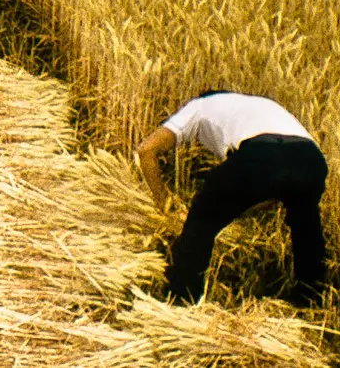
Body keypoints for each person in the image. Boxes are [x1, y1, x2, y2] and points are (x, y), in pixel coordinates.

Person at [136, 90, 329, 305]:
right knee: (306, 226)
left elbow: (146, 150)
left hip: (262, 151)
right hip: (312, 159)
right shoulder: (262, 104)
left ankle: (180, 300)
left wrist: (165, 203)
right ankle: (312, 303)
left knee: (202, 216)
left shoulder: (199, 106)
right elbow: (267, 192)